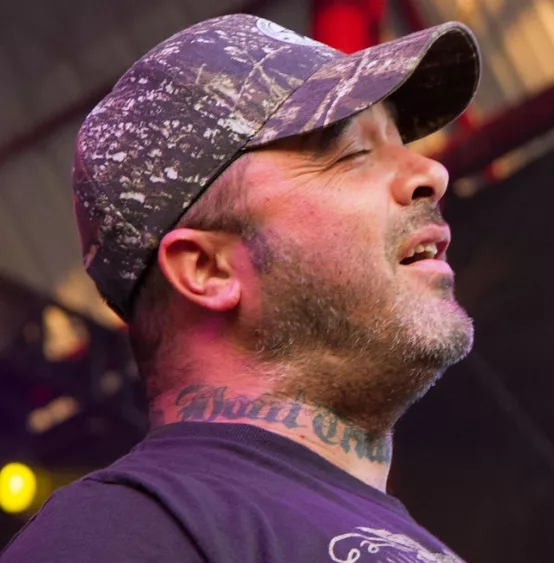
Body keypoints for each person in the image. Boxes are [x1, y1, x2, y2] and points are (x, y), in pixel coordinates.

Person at [1, 12, 480, 563]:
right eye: (351, 154)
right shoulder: (114, 537)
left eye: (400, 140)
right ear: (206, 269)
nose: (430, 172)